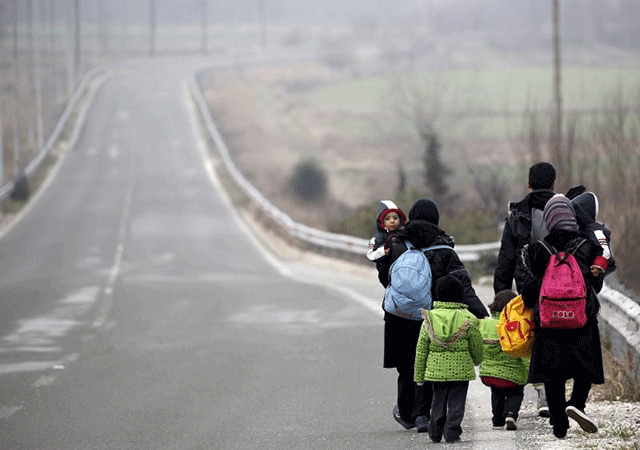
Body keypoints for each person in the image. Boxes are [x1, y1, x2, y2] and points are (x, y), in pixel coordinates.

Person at [378, 198, 488, 432]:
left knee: (406, 367)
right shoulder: (444, 248)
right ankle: (423, 414)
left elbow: (385, 279)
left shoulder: (398, 242)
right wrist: (481, 312)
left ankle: (407, 413)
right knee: (427, 362)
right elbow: (463, 285)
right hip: (431, 316)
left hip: (399, 314)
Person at [520, 194, 605, 439]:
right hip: (582, 320)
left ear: (548, 220)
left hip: (549, 324)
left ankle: (559, 422)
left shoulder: (539, 249)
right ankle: (577, 404)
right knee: (585, 368)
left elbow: (531, 289)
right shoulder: (587, 246)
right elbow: (596, 286)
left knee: (552, 375)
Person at [493, 161, 556, 417]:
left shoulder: (517, 214)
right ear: (554, 184)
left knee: (532, 337)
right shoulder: (564, 210)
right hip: (560, 286)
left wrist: (501, 299)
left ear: (529, 183)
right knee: (555, 338)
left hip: (528, 288)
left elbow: (505, 259)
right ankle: (551, 393)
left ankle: (542, 392)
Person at [414, 275, 484, 443]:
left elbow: (421, 350)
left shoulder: (429, 319)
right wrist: (477, 360)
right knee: (457, 404)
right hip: (461, 370)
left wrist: (419, 376)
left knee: (438, 400)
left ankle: (435, 431)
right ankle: (452, 431)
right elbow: (476, 345)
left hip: (436, 370)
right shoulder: (469, 318)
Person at [479, 289, 530, 430]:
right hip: (513, 376)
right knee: (516, 392)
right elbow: (524, 353)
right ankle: (511, 414)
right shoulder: (518, 325)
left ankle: (497, 419)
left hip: (490, 375)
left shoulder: (484, 324)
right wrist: (528, 373)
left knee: (496, 393)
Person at [571, 191, 616, 277]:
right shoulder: (593, 229)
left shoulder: (594, 230)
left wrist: (597, 266)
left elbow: (604, 252)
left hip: (584, 278)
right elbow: (605, 251)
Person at [366, 200, 407, 272]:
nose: (392, 221)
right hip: (386, 274)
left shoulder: (404, 234)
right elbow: (370, 255)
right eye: (387, 218)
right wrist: (384, 250)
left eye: (395, 218)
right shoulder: (377, 238)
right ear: (382, 221)